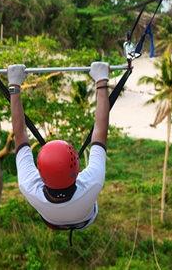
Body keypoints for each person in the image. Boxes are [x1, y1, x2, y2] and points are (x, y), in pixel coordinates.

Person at [7, 61, 111, 230]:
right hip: (86, 218)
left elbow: (20, 136)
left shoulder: (29, 185)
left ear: (40, 173)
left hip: (52, 220)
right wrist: (101, 81)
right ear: (77, 169)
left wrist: (14, 86)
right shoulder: (92, 183)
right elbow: (99, 132)